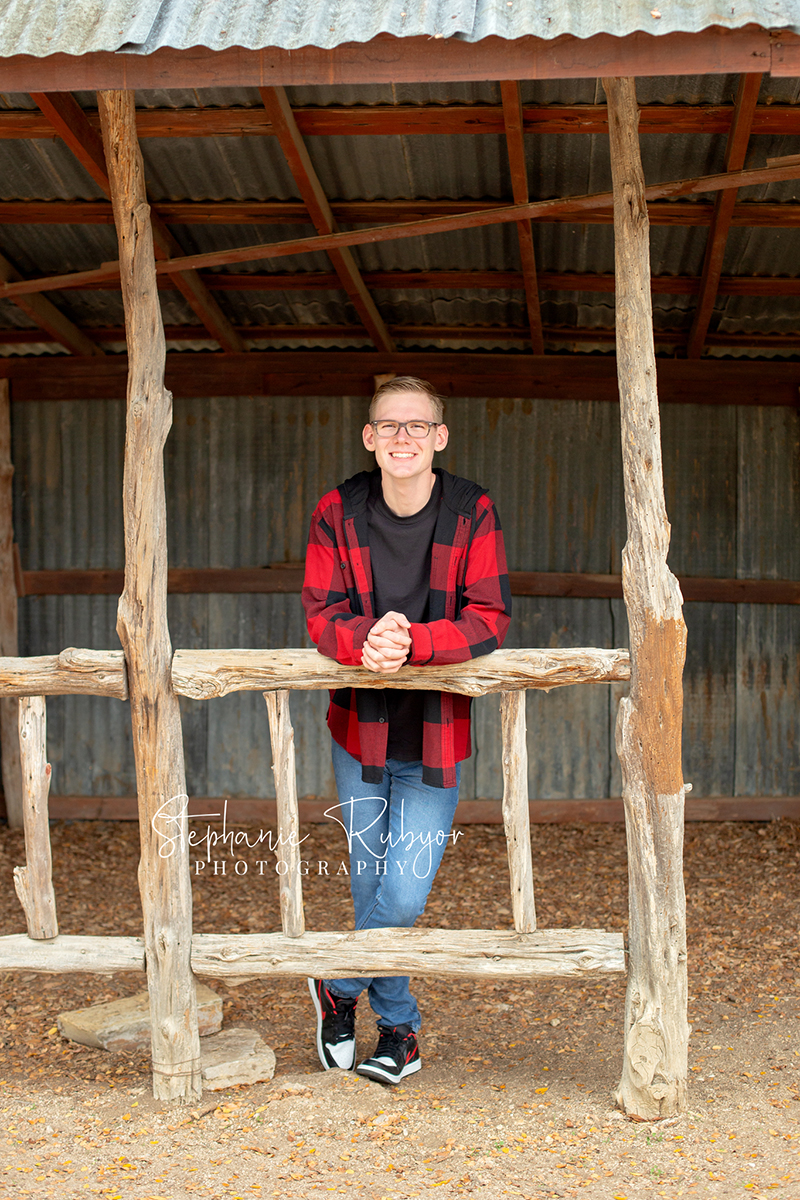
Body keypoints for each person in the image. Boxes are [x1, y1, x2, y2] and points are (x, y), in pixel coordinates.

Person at [301, 376, 511, 1084]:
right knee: (371, 889)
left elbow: (490, 615)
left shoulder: (471, 509)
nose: (402, 437)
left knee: (403, 893)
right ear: (369, 437)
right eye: (388, 425)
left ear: (439, 437)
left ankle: (339, 984)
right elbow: (321, 613)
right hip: (357, 735)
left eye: (416, 426)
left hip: (436, 737)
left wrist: (415, 642)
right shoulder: (338, 508)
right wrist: (369, 638)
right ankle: (400, 1033)